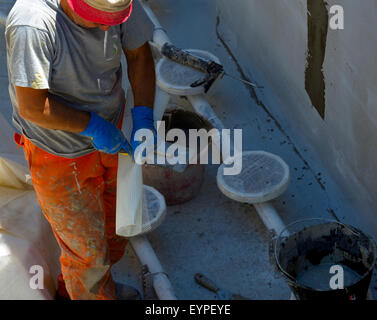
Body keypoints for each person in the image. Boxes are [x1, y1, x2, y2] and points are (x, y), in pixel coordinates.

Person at [5, 0, 156, 300]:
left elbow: (139, 57)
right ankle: (89, 290)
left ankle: (81, 288)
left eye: (112, 21)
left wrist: (143, 116)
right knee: (86, 256)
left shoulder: (118, 4)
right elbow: (33, 107)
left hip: (112, 131)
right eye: (97, 20)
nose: (107, 28)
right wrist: (93, 127)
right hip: (57, 154)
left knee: (115, 228)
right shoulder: (33, 23)